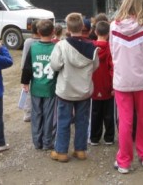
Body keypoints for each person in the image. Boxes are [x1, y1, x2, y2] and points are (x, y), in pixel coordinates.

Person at [110, 0, 143, 174]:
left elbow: (113, 52)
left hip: (122, 80)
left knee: (125, 121)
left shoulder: (114, 26)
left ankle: (124, 161)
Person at [49, 12, 99, 162]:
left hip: (66, 90)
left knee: (63, 120)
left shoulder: (61, 45)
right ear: (83, 27)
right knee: (82, 121)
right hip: (84, 90)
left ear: (68, 29)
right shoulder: (92, 47)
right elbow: (96, 66)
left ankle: (61, 152)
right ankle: (80, 150)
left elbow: (55, 65)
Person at [21, 19, 57, 150]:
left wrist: (25, 82)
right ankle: (47, 142)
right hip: (50, 87)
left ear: (38, 32)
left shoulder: (33, 47)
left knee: (36, 114)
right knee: (48, 115)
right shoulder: (56, 48)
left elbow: (27, 67)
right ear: (53, 32)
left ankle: (37, 141)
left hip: (36, 87)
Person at [89, 20, 115, 146]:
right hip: (108, 85)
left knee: (95, 113)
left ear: (95, 32)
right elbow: (112, 68)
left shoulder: (90, 47)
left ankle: (94, 137)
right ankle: (109, 137)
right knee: (109, 113)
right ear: (109, 33)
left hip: (93, 85)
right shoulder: (111, 48)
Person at [20, 20, 40, 122]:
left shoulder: (28, 41)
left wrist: (23, 68)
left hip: (29, 69)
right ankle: (31, 113)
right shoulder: (30, 42)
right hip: (37, 70)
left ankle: (28, 113)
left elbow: (24, 57)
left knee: (28, 92)